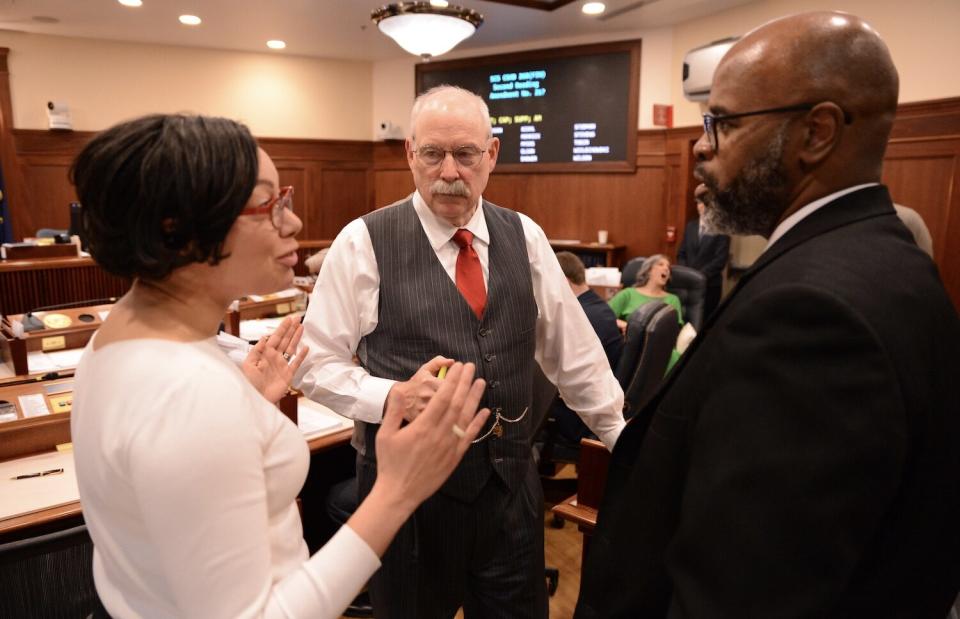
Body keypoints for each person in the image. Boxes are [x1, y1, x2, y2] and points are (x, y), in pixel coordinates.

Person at [576, 11, 960, 618]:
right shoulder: (892, 261)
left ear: (817, 133)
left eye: (722, 122)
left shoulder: (811, 316)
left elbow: (744, 592)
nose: (702, 145)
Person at [69, 114, 490, 619]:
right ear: (177, 230)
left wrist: (246, 404)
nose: (292, 223)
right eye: (269, 206)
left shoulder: (118, 336)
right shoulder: (190, 396)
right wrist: (398, 491)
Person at [295, 85, 625, 618]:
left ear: (491, 155)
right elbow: (315, 363)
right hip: (406, 503)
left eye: (466, 154)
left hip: (510, 492)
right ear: (410, 154)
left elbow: (575, 355)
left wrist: (620, 437)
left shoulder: (527, 237)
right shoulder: (363, 242)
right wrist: (393, 394)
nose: (449, 171)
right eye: (433, 154)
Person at [550, 251, 623, 444]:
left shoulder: (580, 318)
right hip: (598, 409)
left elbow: (564, 378)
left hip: (581, 420)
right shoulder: (600, 306)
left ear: (563, 281)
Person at [676, 191, 730, 318]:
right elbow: (682, 253)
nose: (702, 206)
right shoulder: (691, 226)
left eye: (706, 204)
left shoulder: (722, 228)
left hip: (710, 286)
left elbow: (720, 260)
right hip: (687, 285)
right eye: (699, 203)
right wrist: (687, 273)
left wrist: (698, 276)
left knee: (704, 322)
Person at [608, 254, 684, 333]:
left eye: (668, 267)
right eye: (660, 264)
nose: (666, 269)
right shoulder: (628, 294)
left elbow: (675, 329)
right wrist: (625, 325)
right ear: (648, 270)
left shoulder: (673, 299)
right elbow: (604, 316)